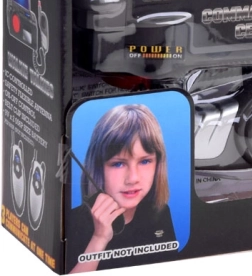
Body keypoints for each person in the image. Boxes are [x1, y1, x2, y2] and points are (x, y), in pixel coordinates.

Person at [68, 104, 176, 272]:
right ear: (98, 168)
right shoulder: (72, 222)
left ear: (158, 164)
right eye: (118, 164)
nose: (133, 178)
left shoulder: (160, 213)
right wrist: (99, 238)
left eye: (145, 161)